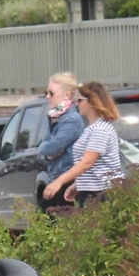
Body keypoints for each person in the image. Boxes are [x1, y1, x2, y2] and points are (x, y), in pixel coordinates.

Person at [44, 81, 126, 211]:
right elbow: (95, 166)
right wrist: (78, 184)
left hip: (103, 192)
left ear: (92, 103)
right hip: (91, 191)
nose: (77, 104)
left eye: (80, 100)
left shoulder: (101, 129)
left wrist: (59, 181)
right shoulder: (91, 129)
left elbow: (87, 162)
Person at [36, 72, 84, 211]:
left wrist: (47, 149)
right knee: (44, 217)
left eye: (51, 93)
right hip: (55, 176)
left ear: (67, 95)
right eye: (46, 92)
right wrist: (47, 149)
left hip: (67, 178)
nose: (47, 97)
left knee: (53, 218)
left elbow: (52, 148)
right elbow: (46, 146)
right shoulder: (55, 117)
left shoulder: (71, 119)